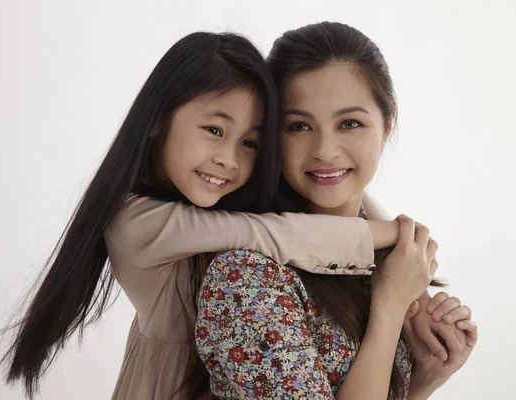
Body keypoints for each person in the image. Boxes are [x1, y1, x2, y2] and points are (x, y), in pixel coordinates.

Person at [0, 31, 414, 400]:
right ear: (159, 119)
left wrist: (415, 288)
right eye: (214, 130)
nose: (228, 160)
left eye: (250, 143)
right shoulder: (138, 221)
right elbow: (275, 233)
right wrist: (402, 240)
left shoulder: (222, 205)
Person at [196, 22, 478, 399]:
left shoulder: (390, 261)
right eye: (299, 125)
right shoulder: (245, 278)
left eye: (350, 123)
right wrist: (390, 307)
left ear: (387, 125)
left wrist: (425, 378)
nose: (325, 150)